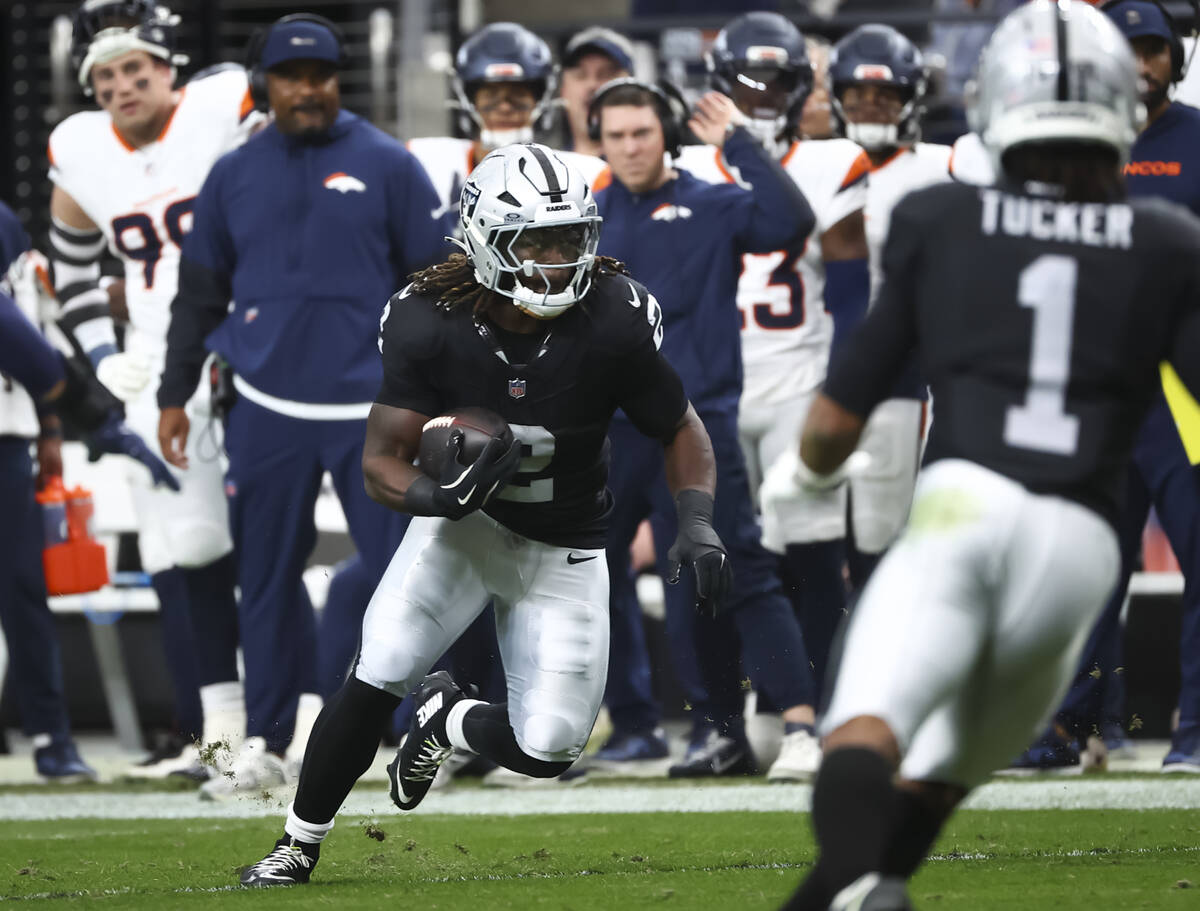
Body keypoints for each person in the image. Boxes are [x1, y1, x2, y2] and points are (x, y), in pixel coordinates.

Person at [776, 3, 1200, 908]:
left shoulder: (941, 217)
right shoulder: (1167, 241)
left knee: (862, 737)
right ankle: (871, 887)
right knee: (929, 786)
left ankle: (872, 885)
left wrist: (805, 474)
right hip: (1080, 551)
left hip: (964, 506)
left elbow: (841, 409)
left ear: (994, 103)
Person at [237, 143, 732, 886]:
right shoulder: (427, 317)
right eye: (535, 241)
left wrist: (696, 520)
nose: (557, 259)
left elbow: (680, 426)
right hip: (462, 531)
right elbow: (381, 461)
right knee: (381, 668)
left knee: (550, 748)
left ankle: (448, 719)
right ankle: (297, 844)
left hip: (564, 544)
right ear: (484, 239)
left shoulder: (614, 316)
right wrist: (436, 498)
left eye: (568, 238)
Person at [158, 12, 447, 800]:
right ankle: (265, 741)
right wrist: (173, 393)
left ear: (336, 81)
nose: (307, 89)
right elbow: (198, 293)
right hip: (264, 403)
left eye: (320, 75)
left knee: (408, 577)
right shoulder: (231, 174)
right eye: (290, 77)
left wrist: (438, 392)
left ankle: (417, 732)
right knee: (265, 578)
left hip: (376, 409)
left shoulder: (388, 163)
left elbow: (437, 286)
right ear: (265, 86)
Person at [588, 74, 820, 780]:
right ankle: (628, 728)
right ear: (599, 141)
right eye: (617, 136)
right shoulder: (583, 218)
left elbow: (789, 221)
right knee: (578, 575)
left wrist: (739, 143)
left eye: (642, 132)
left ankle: (800, 727)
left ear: (667, 134)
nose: (631, 147)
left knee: (734, 568)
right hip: (607, 431)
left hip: (695, 426)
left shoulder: (713, 202)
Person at [47, 0, 256, 779]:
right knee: (179, 543)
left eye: (135, 68)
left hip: (246, 347)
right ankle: (211, 730)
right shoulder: (80, 147)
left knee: (262, 542)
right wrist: (103, 355)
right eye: (104, 76)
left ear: (169, 68)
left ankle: (288, 716)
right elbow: (71, 266)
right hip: (157, 359)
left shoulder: (222, 106)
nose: (121, 86)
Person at [675, 11, 870, 779]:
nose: (763, 93)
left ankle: (808, 716)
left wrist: (844, 391)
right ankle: (721, 725)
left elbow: (849, 293)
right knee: (709, 560)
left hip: (797, 383)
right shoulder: (683, 162)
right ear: (720, 81)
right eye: (749, 79)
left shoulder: (832, 159)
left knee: (812, 555)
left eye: (779, 80)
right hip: (707, 391)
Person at [824, 23, 951, 585]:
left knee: (887, 538)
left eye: (886, 93)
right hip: (814, 368)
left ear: (912, 98)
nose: (870, 104)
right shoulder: (813, 164)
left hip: (907, 373)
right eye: (857, 92)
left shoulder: (945, 166)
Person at [0, 202, 98, 783]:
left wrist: (52, 427)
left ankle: (51, 738)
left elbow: (29, 323)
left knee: (23, 589)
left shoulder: (7, 224)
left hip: (8, 431)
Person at [409, 21, 606, 235]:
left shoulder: (585, 176)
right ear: (469, 101)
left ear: (540, 101)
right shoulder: (423, 162)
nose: (504, 107)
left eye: (518, 95)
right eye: (490, 95)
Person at [559, 26, 636, 155]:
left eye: (606, 74)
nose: (592, 84)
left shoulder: (660, 164)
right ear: (563, 91)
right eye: (580, 75)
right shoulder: (541, 165)